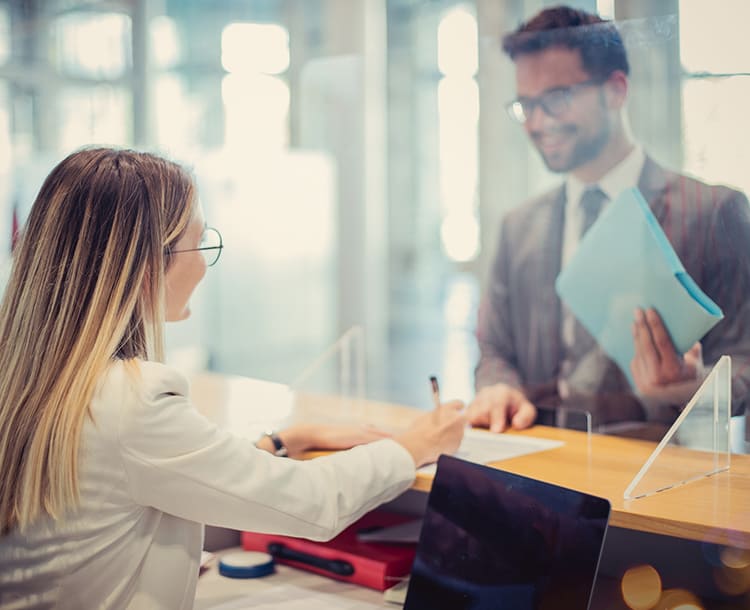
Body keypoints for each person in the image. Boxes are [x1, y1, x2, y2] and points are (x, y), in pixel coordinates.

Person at [0, 147, 466, 609]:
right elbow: (312, 501)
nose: (203, 264)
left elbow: (143, 471)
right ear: (145, 266)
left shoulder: (37, 379)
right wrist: (419, 444)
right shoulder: (131, 401)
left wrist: (283, 441)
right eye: (199, 244)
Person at [468, 6, 750, 435]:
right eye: (526, 106)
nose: (538, 123)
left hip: (658, 473)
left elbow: (746, 361)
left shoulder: (713, 211)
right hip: (541, 465)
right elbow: (494, 350)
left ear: (616, 90)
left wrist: (692, 384)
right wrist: (498, 388)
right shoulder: (518, 227)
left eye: (557, 99)